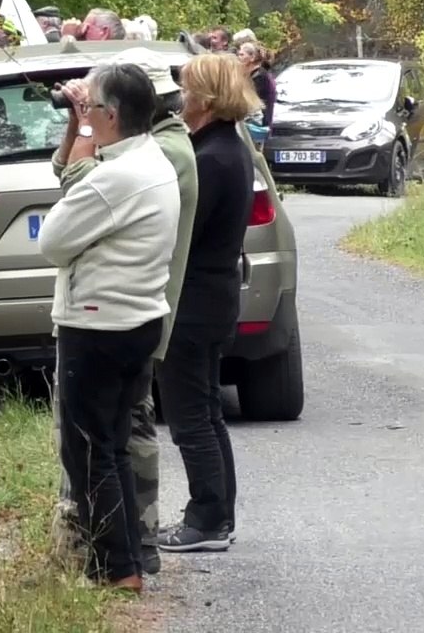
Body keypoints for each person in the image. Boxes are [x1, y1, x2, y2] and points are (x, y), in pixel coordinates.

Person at [50, 48, 199, 577]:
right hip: (137, 318)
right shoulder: (153, 159)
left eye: (91, 107)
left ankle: (116, 568)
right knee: (111, 448)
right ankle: (127, 558)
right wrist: (81, 125)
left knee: (92, 454)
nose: (83, 112)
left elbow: (52, 240)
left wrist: (83, 132)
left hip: (98, 324)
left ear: (111, 115)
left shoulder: (117, 177)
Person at [156, 53, 259, 553]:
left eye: (188, 90)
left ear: (208, 98)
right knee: (207, 411)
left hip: (195, 300)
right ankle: (218, 515)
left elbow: (181, 232)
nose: (181, 98)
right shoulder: (228, 147)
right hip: (214, 295)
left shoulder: (211, 159)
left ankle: (206, 519)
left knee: (190, 415)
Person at [238, 41, 277, 127]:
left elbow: (252, 99)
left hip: (258, 122)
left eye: (242, 55)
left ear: (252, 57)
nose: (238, 58)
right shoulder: (249, 74)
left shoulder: (260, 76)